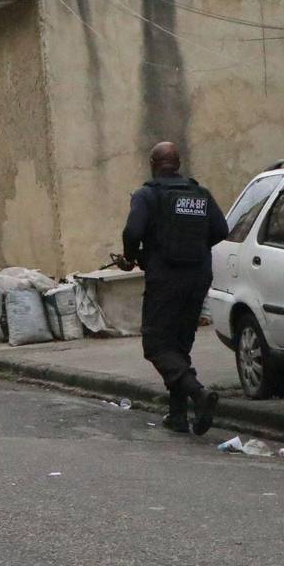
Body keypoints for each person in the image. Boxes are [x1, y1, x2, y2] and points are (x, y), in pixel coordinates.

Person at [117, 141, 229, 435]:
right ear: (178, 164)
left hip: (165, 278)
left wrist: (131, 256)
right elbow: (221, 230)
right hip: (198, 277)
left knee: (156, 344)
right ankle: (178, 415)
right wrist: (194, 247)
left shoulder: (147, 195)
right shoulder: (201, 194)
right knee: (179, 345)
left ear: (153, 164)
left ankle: (198, 393)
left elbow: (133, 231)